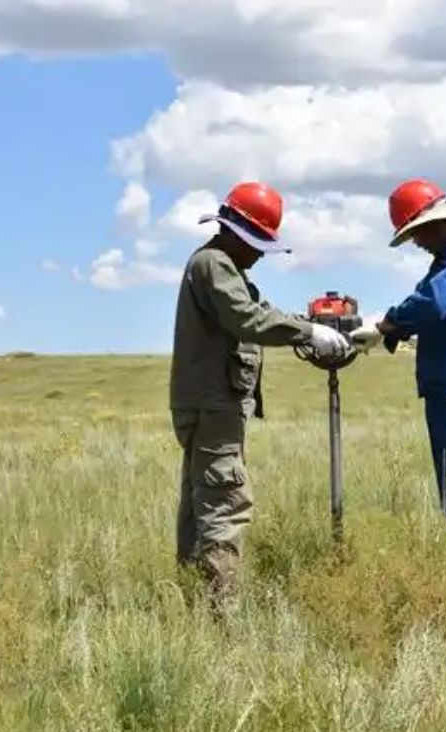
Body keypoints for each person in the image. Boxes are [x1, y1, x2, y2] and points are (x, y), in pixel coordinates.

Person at [169, 181, 350, 607]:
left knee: (201, 506)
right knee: (224, 504)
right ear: (236, 232)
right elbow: (246, 319)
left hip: (211, 405)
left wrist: (309, 328)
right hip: (214, 407)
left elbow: (259, 312)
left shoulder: (223, 267)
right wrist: (308, 332)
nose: (258, 255)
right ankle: (222, 615)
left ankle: (195, 605)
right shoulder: (214, 264)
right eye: (257, 244)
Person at [349, 178, 446, 579]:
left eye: (417, 233)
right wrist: (389, 329)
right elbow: (428, 305)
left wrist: (385, 325)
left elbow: (432, 303)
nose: (416, 243)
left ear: (437, 223)